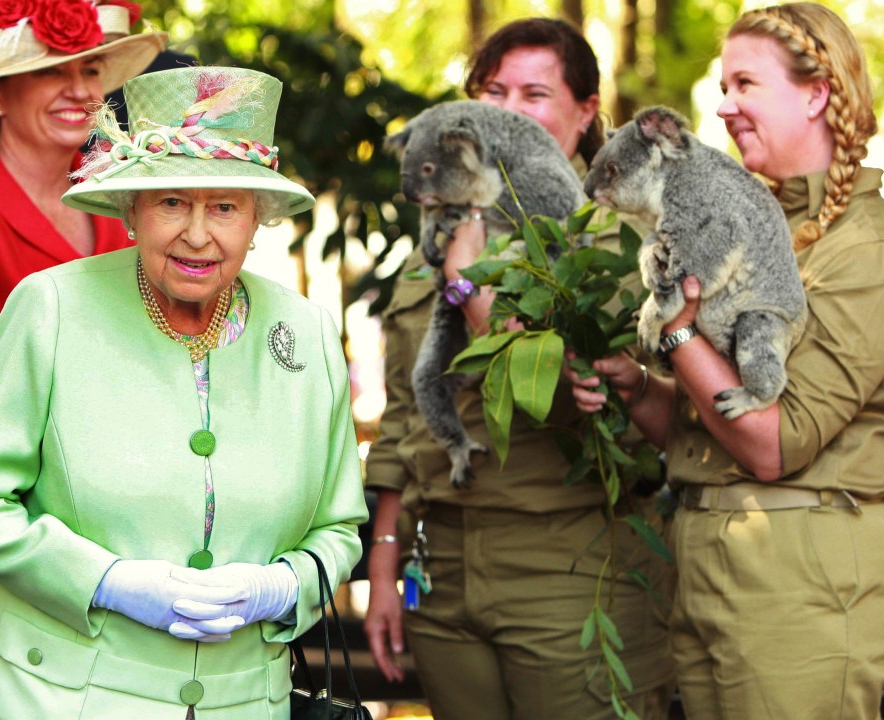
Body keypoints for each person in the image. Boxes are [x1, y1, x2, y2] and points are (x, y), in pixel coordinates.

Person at [0, 64, 368, 719]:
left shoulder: (304, 330)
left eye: (224, 206)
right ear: (130, 211)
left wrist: (282, 587)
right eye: (171, 202)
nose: (197, 234)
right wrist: (108, 583)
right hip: (61, 700)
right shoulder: (50, 307)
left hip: (246, 702)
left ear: (258, 219)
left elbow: (339, 528)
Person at [570, 4, 884, 718]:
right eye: (724, 84)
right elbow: (699, 432)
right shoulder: (744, 218)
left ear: (817, 93)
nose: (725, 104)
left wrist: (679, 335)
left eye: (746, 84)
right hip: (706, 564)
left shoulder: (866, 250)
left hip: (797, 588)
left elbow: (774, 443)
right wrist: (641, 388)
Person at [363, 17, 674, 720]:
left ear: (585, 112)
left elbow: (581, 401)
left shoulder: (618, 239)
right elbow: (404, 415)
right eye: (490, 91)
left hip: (571, 564)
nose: (504, 113)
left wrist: (473, 292)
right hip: (441, 565)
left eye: (533, 93)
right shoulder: (440, 234)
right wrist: (385, 563)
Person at [0, 3, 167, 718]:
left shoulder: (121, 208)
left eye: (91, 70)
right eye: (50, 72)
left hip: (121, 551)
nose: (81, 90)